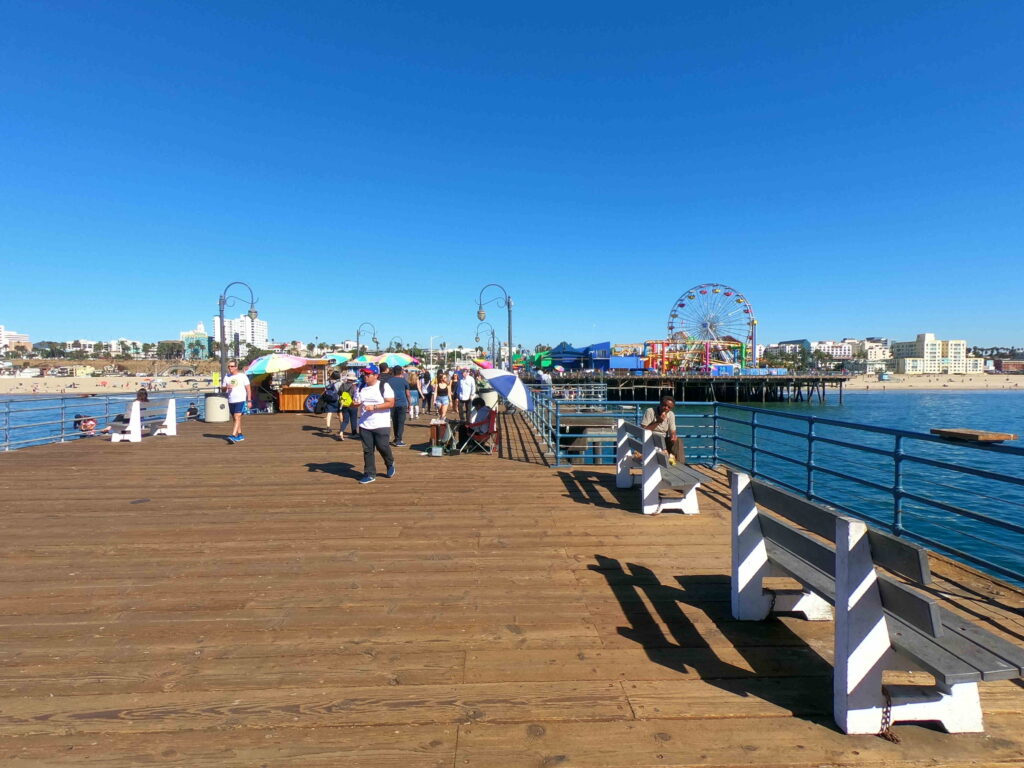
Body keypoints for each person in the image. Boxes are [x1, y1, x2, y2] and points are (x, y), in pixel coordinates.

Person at [354, 363, 396, 484]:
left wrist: (374, 407)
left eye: (367, 374)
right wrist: (355, 403)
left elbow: (390, 403)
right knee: (368, 450)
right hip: (365, 424)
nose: (365, 376)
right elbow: (357, 401)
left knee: (382, 446)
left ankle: (389, 463)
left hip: (381, 423)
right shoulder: (360, 386)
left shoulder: (384, 386)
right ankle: (370, 474)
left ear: (376, 375)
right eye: (364, 373)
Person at [640, 396, 685, 462]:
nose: (666, 408)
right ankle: (673, 462)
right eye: (664, 405)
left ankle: (680, 463)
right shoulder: (650, 411)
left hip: (663, 441)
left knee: (678, 441)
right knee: (660, 440)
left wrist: (673, 435)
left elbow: (672, 430)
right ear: (660, 403)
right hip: (651, 440)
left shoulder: (671, 414)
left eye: (669, 407)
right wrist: (658, 421)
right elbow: (644, 430)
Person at [222, 359, 251, 443]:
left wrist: (249, 400)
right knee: (235, 419)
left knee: (237, 416)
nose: (230, 368)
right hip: (231, 400)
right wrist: (226, 387)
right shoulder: (227, 377)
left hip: (240, 400)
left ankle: (233, 435)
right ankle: (240, 435)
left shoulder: (242, 376)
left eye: (232, 366)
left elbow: (248, 389)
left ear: (236, 367)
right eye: (229, 366)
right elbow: (223, 389)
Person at [388, 365, 410, 447]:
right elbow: (408, 394)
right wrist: (410, 404)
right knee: (401, 422)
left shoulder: (389, 381)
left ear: (393, 372)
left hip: (392, 403)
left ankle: (396, 438)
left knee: (395, 421)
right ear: (401, 372)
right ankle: (398, 440)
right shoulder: (404, 381)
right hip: (402, 403)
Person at [339, 371, 360, 440]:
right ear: (353, 378)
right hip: (353, 405)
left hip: (345, 404)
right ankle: (354, 433)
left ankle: (341, 432)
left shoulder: (343, 385)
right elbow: (356, 396)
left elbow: (339, 393)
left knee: (345, 420)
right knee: (353, 419)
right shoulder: (354, 386)